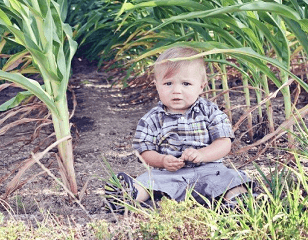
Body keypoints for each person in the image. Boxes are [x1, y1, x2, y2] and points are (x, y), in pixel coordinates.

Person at [105, 47, 253, 212]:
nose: (176, 90)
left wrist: (202, 154)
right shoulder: (151, 119)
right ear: (157, 85)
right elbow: (144, 151)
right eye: (168, 83)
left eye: (186, 84)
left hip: (209, 171)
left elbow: (224, 142)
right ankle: (125, 197)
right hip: (169, 175)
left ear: (201, 86)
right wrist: (162, 160)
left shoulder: (210, 111)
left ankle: (237, 201)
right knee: (147, 180)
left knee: (231, 178)